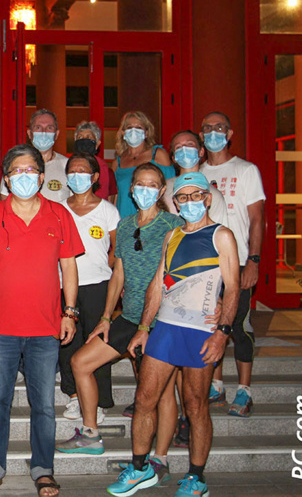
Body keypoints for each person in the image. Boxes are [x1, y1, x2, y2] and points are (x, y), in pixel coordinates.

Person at [107, 172, 240, 497]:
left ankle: (196, 477)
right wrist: (142, 328)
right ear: (175, 202)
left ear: (207, 198)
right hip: (164, 328)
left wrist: (222, 333)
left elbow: (233, 288)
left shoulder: (221, 235)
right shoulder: (173, 235)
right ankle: (139, 469)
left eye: (197, 196)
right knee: (143, 400)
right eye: (184, 197)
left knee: (195, 406)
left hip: (200, 332)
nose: (191, 202)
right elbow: (157, 285)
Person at [57, 164, 182, 483]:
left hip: (162, 320)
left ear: (162, 190)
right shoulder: (125, 226)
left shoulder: (174, 224)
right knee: (79, 362)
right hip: (128, 318)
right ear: (131, 189)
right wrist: (104, 318)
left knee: (161, 393)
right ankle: (90, 434)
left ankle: (160, 458)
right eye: (139, 184)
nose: (144, 189)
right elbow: (119, 276)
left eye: (152, 184)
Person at [0, 144, 83, 497]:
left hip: (45, 326)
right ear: (6, 179)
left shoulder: (59, 214)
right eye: (16, 171)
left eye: (30, 170)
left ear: (41, 174)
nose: (24, 177)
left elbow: (69, 266)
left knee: (44, 405)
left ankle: (43, 469)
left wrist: (70, 312)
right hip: (0, 326)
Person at [199, 111, 265, 418]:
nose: (214, 132)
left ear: (230, 132)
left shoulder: (246, 169)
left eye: (219, 127)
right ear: (201, 135)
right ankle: (217, 383)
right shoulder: (196, 171)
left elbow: (256, 219)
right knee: (212, 324)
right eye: (208, 128)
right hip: (207, 265)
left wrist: (253, 260)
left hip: (238, 262)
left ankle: (244, 390)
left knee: (239, 325)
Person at [55, 153, 120, 428]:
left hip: (98, 285)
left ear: (94, 178)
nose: (77, 175)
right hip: (62, 285)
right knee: (68, 343)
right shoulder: (57, 208)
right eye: (72, 171)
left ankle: (101, 399)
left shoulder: (108, 210)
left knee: (97, 344)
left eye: (84, 171)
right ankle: (73, 394)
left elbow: (116, 250)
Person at [111, 111, 175, 218]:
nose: (134, 130)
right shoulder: (117, 163)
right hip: (125, 220)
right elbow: (116, 197)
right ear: (123, 133)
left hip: (154, 219)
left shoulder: (158, 155)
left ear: (146, 133)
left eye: (139, 127)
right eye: (129, 127)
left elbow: (170, 189)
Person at [0, 109, 70, 203]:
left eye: (49, 128)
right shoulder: (15, 165)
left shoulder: (68, 165)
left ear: (56, 134)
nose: (44, 132)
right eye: (38, 127)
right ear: (29, 134)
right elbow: (4, 202)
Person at [161, 129, 228, 225]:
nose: (184, 149)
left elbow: (218, 233)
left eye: (189, 144)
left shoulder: (212, 193)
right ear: (174, 158)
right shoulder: (163, 189)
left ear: (201, 152)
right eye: (178, 147)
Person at [73, 120, 116, 200]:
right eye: (80, 137)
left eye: (88, 137)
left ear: (97, 144)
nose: (84, 140)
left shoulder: (107, 172)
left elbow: (110, 201)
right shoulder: (67, 166)